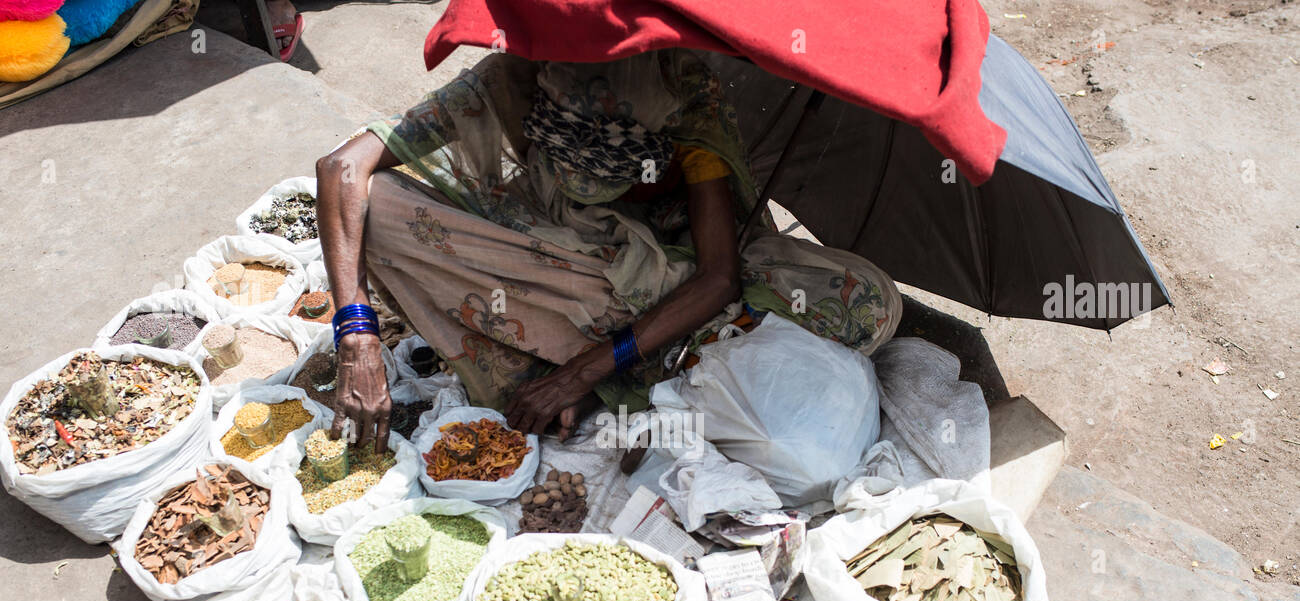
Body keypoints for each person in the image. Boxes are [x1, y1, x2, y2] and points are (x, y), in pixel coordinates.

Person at [316, 49, 901, 452]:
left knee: (867, 303)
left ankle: (585, 370)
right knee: (378, 208)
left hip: (658, 276)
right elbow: (343, 166)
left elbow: (718, 278)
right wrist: (356, 332)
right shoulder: (508, 77)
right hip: (544, 251)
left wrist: (578, 374)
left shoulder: (689, 101)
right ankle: (560, 364)